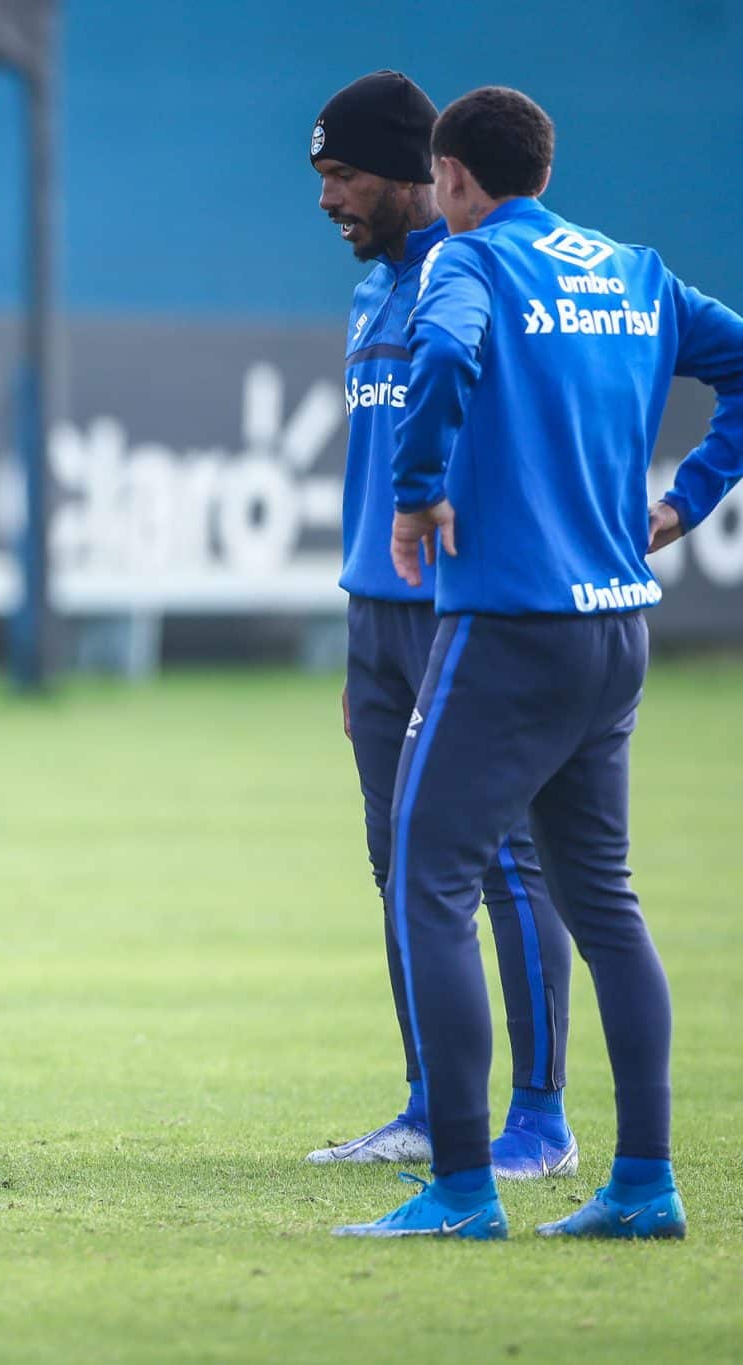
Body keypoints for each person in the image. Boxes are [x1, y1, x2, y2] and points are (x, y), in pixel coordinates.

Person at [334, 87, 743, 1239]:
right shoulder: (631, 269)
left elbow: (445, 359)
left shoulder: (466, 265)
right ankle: (642, 1185)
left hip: (503, 626)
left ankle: (462, 1187)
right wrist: (691, 497)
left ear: (451, 175)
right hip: (615, 624)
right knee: (604, 903)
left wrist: (415, 496)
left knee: (426, 882)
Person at [305, 71, 576, 1179]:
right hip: (379, 621)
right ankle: (428, 1105)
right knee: (398, 864)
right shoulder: (375, 291)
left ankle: (539, 1123)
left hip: (469, 614)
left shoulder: (481, 275)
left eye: (343, 175)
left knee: (504, 862)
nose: (327, 199)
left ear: (423, 174)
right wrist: (360, 634)